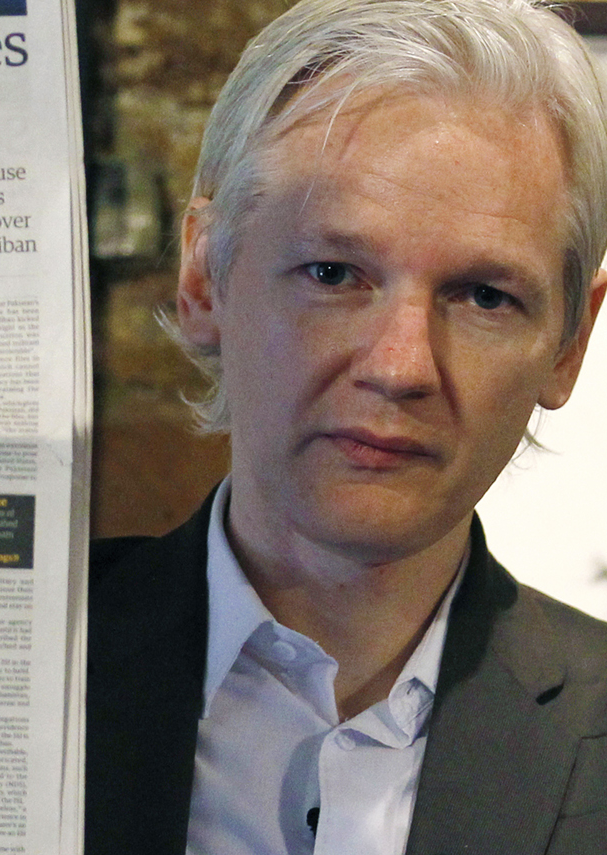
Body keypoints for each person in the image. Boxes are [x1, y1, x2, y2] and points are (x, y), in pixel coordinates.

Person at [86, 0, 607, 852]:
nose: (401, 366)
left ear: (569, 343)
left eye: (484, 296)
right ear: (203, 279)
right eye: (333, 273)